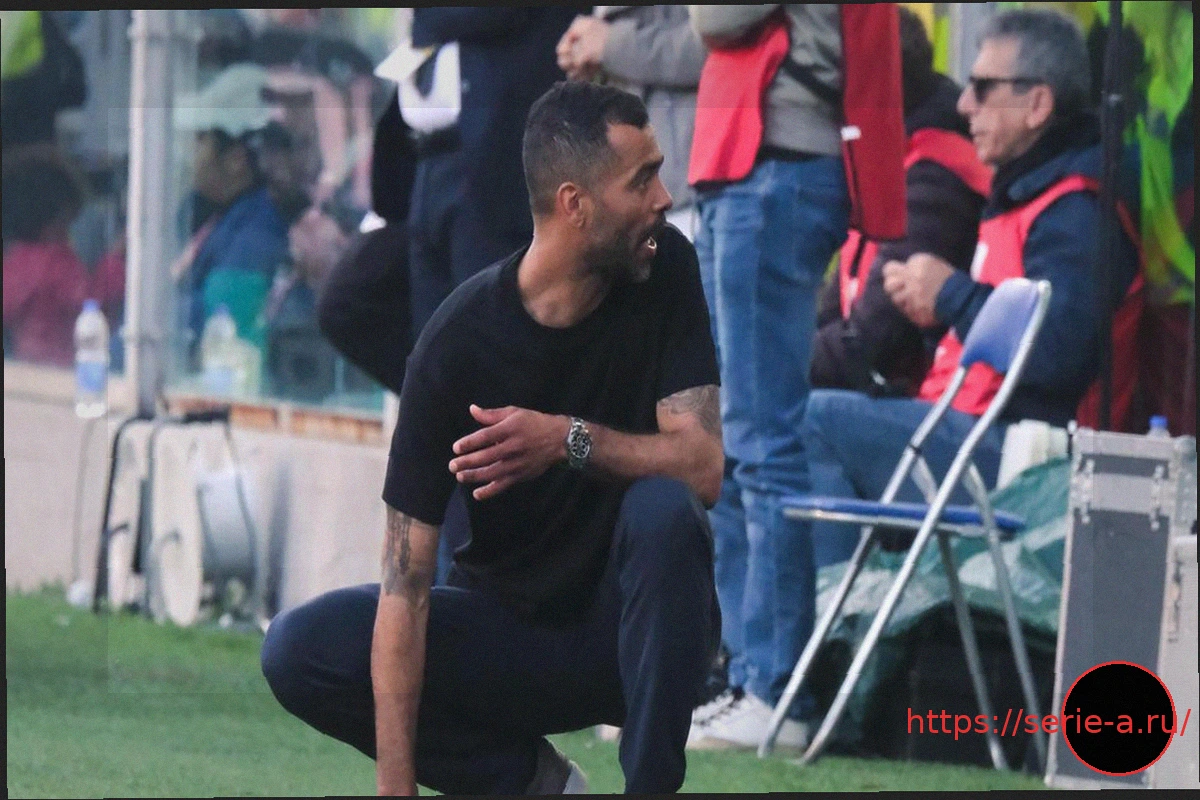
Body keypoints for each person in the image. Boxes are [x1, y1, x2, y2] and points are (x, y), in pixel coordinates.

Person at [261, 81, 724, 794]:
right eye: (642, 180)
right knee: (298, 650)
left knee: (664, 511)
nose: (664, 198)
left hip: (633, 633)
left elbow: (703, 468)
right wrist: (396, 790)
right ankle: (535, 785)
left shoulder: (666, 268)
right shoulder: (457, 343)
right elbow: (406, 586)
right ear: (574, 204)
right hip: (508, 636)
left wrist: (567, 439)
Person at [801, 9, 1140, 584]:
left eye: (982, 89)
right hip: (981, 434)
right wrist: (935, 315)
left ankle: (841, 614)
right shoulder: (1030, 191)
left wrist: (951, 296)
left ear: (1037, 105)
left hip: (1035, 466)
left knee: (813, 420)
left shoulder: (1078, 211)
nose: (963, 104)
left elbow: (1057, 353)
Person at [684, 4, 850, 751]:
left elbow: (716, 17)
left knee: (761, 439)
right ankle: (740, 673)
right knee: (725, 438)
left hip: (779, 164)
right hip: (743, 165)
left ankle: (776, 689)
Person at [810, 8, 991, 456]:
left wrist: (766, 368)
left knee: (795, 421)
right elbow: (835, 312)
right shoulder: (893, 163)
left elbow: (872, 343)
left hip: (925, 413)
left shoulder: (937, 177)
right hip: (901, 402)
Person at [399, 7, 577, 344]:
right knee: (432, 337)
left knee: (485, 332)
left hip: (496, 160)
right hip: (429, 158)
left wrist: (427, 17)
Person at [172, 62, 290, 361]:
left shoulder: (253, 235)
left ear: (236, 159)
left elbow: (220, 328)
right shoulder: (217, 217)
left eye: (200, 140)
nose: (189, 154)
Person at [556, 6, 706, 240]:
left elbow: (720, 45)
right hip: (631, 194)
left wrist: (612, 44)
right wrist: (584, 53)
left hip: (696, 190)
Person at [2, 149, 94, 366]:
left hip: (23, 368)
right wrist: (115, 261)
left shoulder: (14, 262)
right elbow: (91, 303)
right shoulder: (58, 263)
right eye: (67, 223)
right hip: (62, 370)